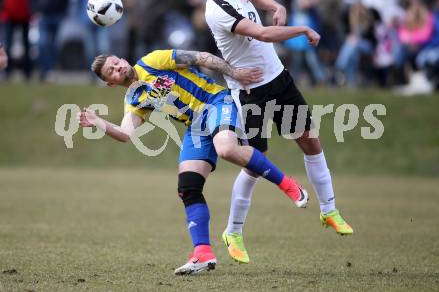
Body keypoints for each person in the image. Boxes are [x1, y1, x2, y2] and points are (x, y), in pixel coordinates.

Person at [77, 49, 309, 275]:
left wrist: (234, 73)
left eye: (116, 62)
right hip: (196, 126)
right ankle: (203, 253)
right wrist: (98, 122)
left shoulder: (152, 61)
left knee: (227, 149)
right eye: (112, 71)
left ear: (123, 58)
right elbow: (126, 134)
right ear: (110, 83)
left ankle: (287, 184)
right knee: (188, 187)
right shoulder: (134, 98)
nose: (118, 68)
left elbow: (201, 57)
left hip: (216, 101)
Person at [193, 0, 353, 264]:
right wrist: (303, 28)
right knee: (254, 163)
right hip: (251, 91)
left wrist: (277, 4)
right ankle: (233, 231)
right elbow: (263, 34)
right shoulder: (217, 9)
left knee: (310, 140)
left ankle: (329, 210)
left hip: (278, 79)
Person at [73, 0, 117, 71]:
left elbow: (116, 2)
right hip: (87, 22)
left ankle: (105, 73)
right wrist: (79, 18)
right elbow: (77, 2)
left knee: (104, 48)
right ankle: (92, 74)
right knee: (90, 50)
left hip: (104, 22)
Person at [31, 0, 69, 82]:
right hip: (43, 16)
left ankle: (50, 71)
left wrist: (63, 12)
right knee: (42, 44)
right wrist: (35, 11)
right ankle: (44, 70)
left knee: (54, 45)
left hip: (57, 17)